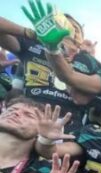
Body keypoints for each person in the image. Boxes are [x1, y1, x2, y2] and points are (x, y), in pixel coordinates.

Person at [0, 3, 85, 133]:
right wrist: (32, 34)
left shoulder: (86, 61)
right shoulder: (34, 43)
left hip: (67, 123)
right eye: (63, 24)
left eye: (75, 29)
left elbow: (82, 99)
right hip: (27, 117)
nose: (69, 31)